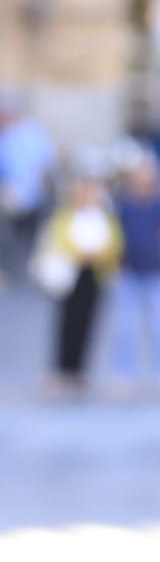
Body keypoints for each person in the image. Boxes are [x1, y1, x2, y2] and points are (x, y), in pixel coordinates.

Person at [40, 177, 123, 393]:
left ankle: (79, 370)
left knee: (87, 322)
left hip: (94, 273)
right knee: (68, 322)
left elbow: (115, 242)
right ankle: (62, 368)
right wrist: (80, 253)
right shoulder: (66, 216)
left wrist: (100, 255)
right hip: (71, 272)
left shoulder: (105, 217)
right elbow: (58, 239)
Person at [0, 101, 57, 281]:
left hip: (33, 196)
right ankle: (8, 270)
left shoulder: (33, 133)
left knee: (30, 237)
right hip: (5, 197)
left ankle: (25, 271)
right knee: (5, 237)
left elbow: (47, 163)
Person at [111, 153, 160, 389]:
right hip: (128, 272)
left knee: (157, 324)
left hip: (154, 271)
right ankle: (124, 370)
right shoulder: (124, 204)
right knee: (125, 326)